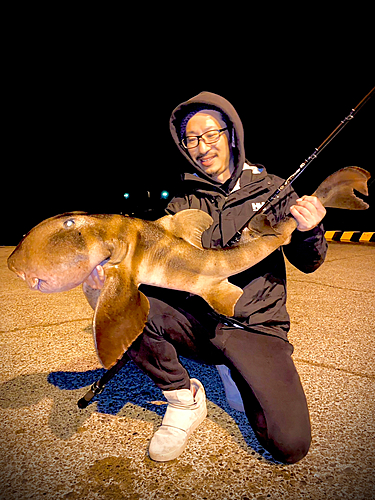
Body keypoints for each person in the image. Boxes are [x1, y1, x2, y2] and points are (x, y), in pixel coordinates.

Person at [83, 92, 327, 464]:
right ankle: (184, 398)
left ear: (231, 134)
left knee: (289, 445)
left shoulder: (272, 189)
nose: (202, 146)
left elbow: (309, 262)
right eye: (191, 139)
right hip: (200, 319)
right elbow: (155, 259)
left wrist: (310, 230)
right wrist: (112, 276)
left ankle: (234, 366)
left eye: (210, 134)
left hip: (256, 326)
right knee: (124, 300)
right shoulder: (183, 200)